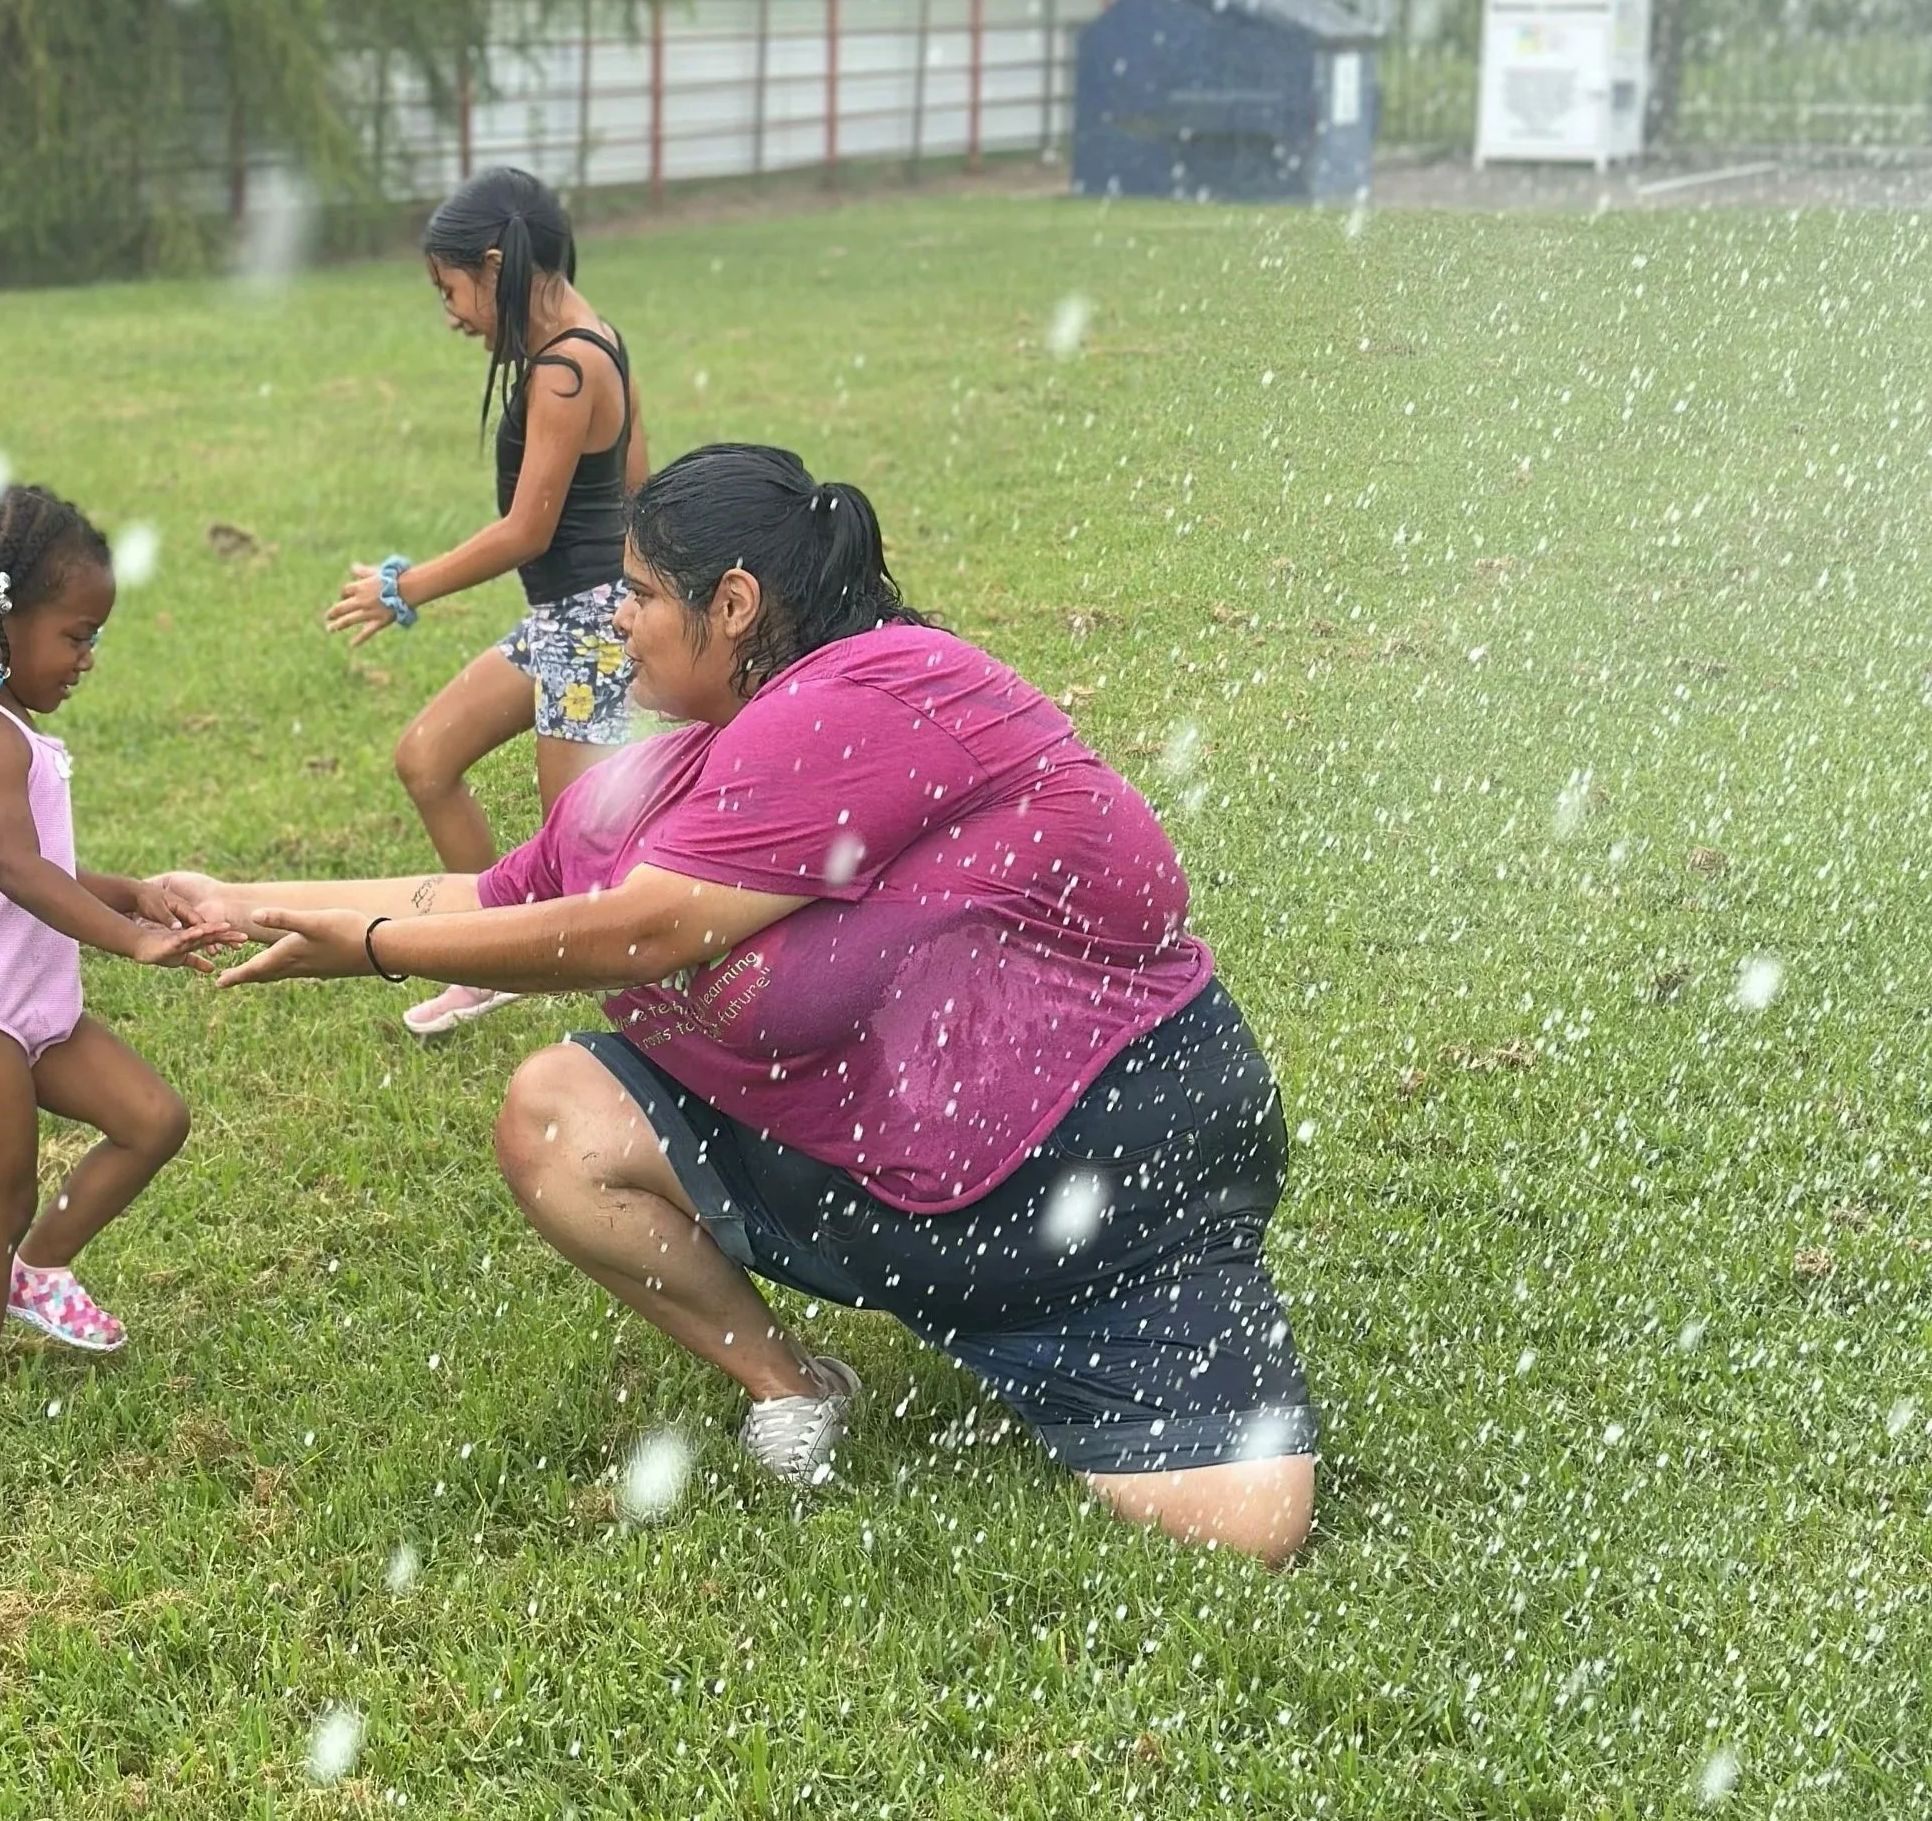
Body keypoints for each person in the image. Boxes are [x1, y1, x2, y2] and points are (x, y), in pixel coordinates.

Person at [164, 445, 1319, 1566]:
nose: (616, 618)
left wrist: (376, 951)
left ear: (734, 603)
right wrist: (245, 900)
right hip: (900, 1181)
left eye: (640, 594)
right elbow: (500, 892)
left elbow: (647, 929)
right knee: (556, 1115)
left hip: (1106, 1172)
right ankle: (795, 1382)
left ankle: (1063, 1316)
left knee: (1251, 1526)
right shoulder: (699, 761)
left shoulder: (871, 691)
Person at [0, 485, 240, 1380]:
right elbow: (16, 870)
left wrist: (132, 892)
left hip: (31, 1007)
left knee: (153, 1118)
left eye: (95, 639)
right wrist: (130, 940)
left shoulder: (9, 725)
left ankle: (38, 1269)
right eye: (75, 636)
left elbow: (36, 863)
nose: (86, 658)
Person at [323, 167, 649, 1038]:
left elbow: (525, 532)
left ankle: (653, 1009)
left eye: (452, 289)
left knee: (584, 866)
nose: (454, 313)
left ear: (497, 263)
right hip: (563, 622)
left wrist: (403, 588)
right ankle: (493, 954)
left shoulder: (570, 368)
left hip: (588, 631)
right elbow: (636, 487)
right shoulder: (586, 344)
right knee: (426, 758)